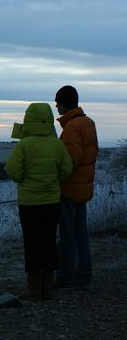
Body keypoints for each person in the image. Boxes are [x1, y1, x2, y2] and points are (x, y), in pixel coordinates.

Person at [6, 102, 73, 301]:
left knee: (32, 243)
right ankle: (48, 288)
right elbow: (66, 170)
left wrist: (25, 179)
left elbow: (13, 171)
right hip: (52, 202)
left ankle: (33, 289)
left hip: (29, 204)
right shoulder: (57, 144)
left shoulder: (24, 145)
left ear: (28, 120)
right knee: (49, 242)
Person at [54, 85, 99, 291]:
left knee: (68, 235)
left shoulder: (71, 128)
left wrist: (56, 174)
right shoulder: (88, 122)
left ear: (64, 103)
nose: (56, 106)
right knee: (81, 234)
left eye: (58, 102)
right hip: (84, 187)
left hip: (70, 189)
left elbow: (72, 159)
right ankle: (84, 275)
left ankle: (67, 277)